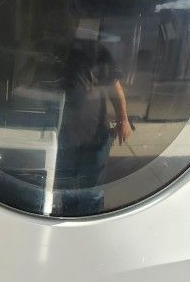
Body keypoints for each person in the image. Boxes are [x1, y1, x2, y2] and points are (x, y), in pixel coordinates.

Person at [54, 38, 132, 215]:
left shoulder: (95, 50)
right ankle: (68, 221)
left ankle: (89, 222)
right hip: (65, 136)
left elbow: (115, 89)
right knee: (67, 188)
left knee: (92, 191)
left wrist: (123, 120)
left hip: (96, 135)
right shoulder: (57, 51)